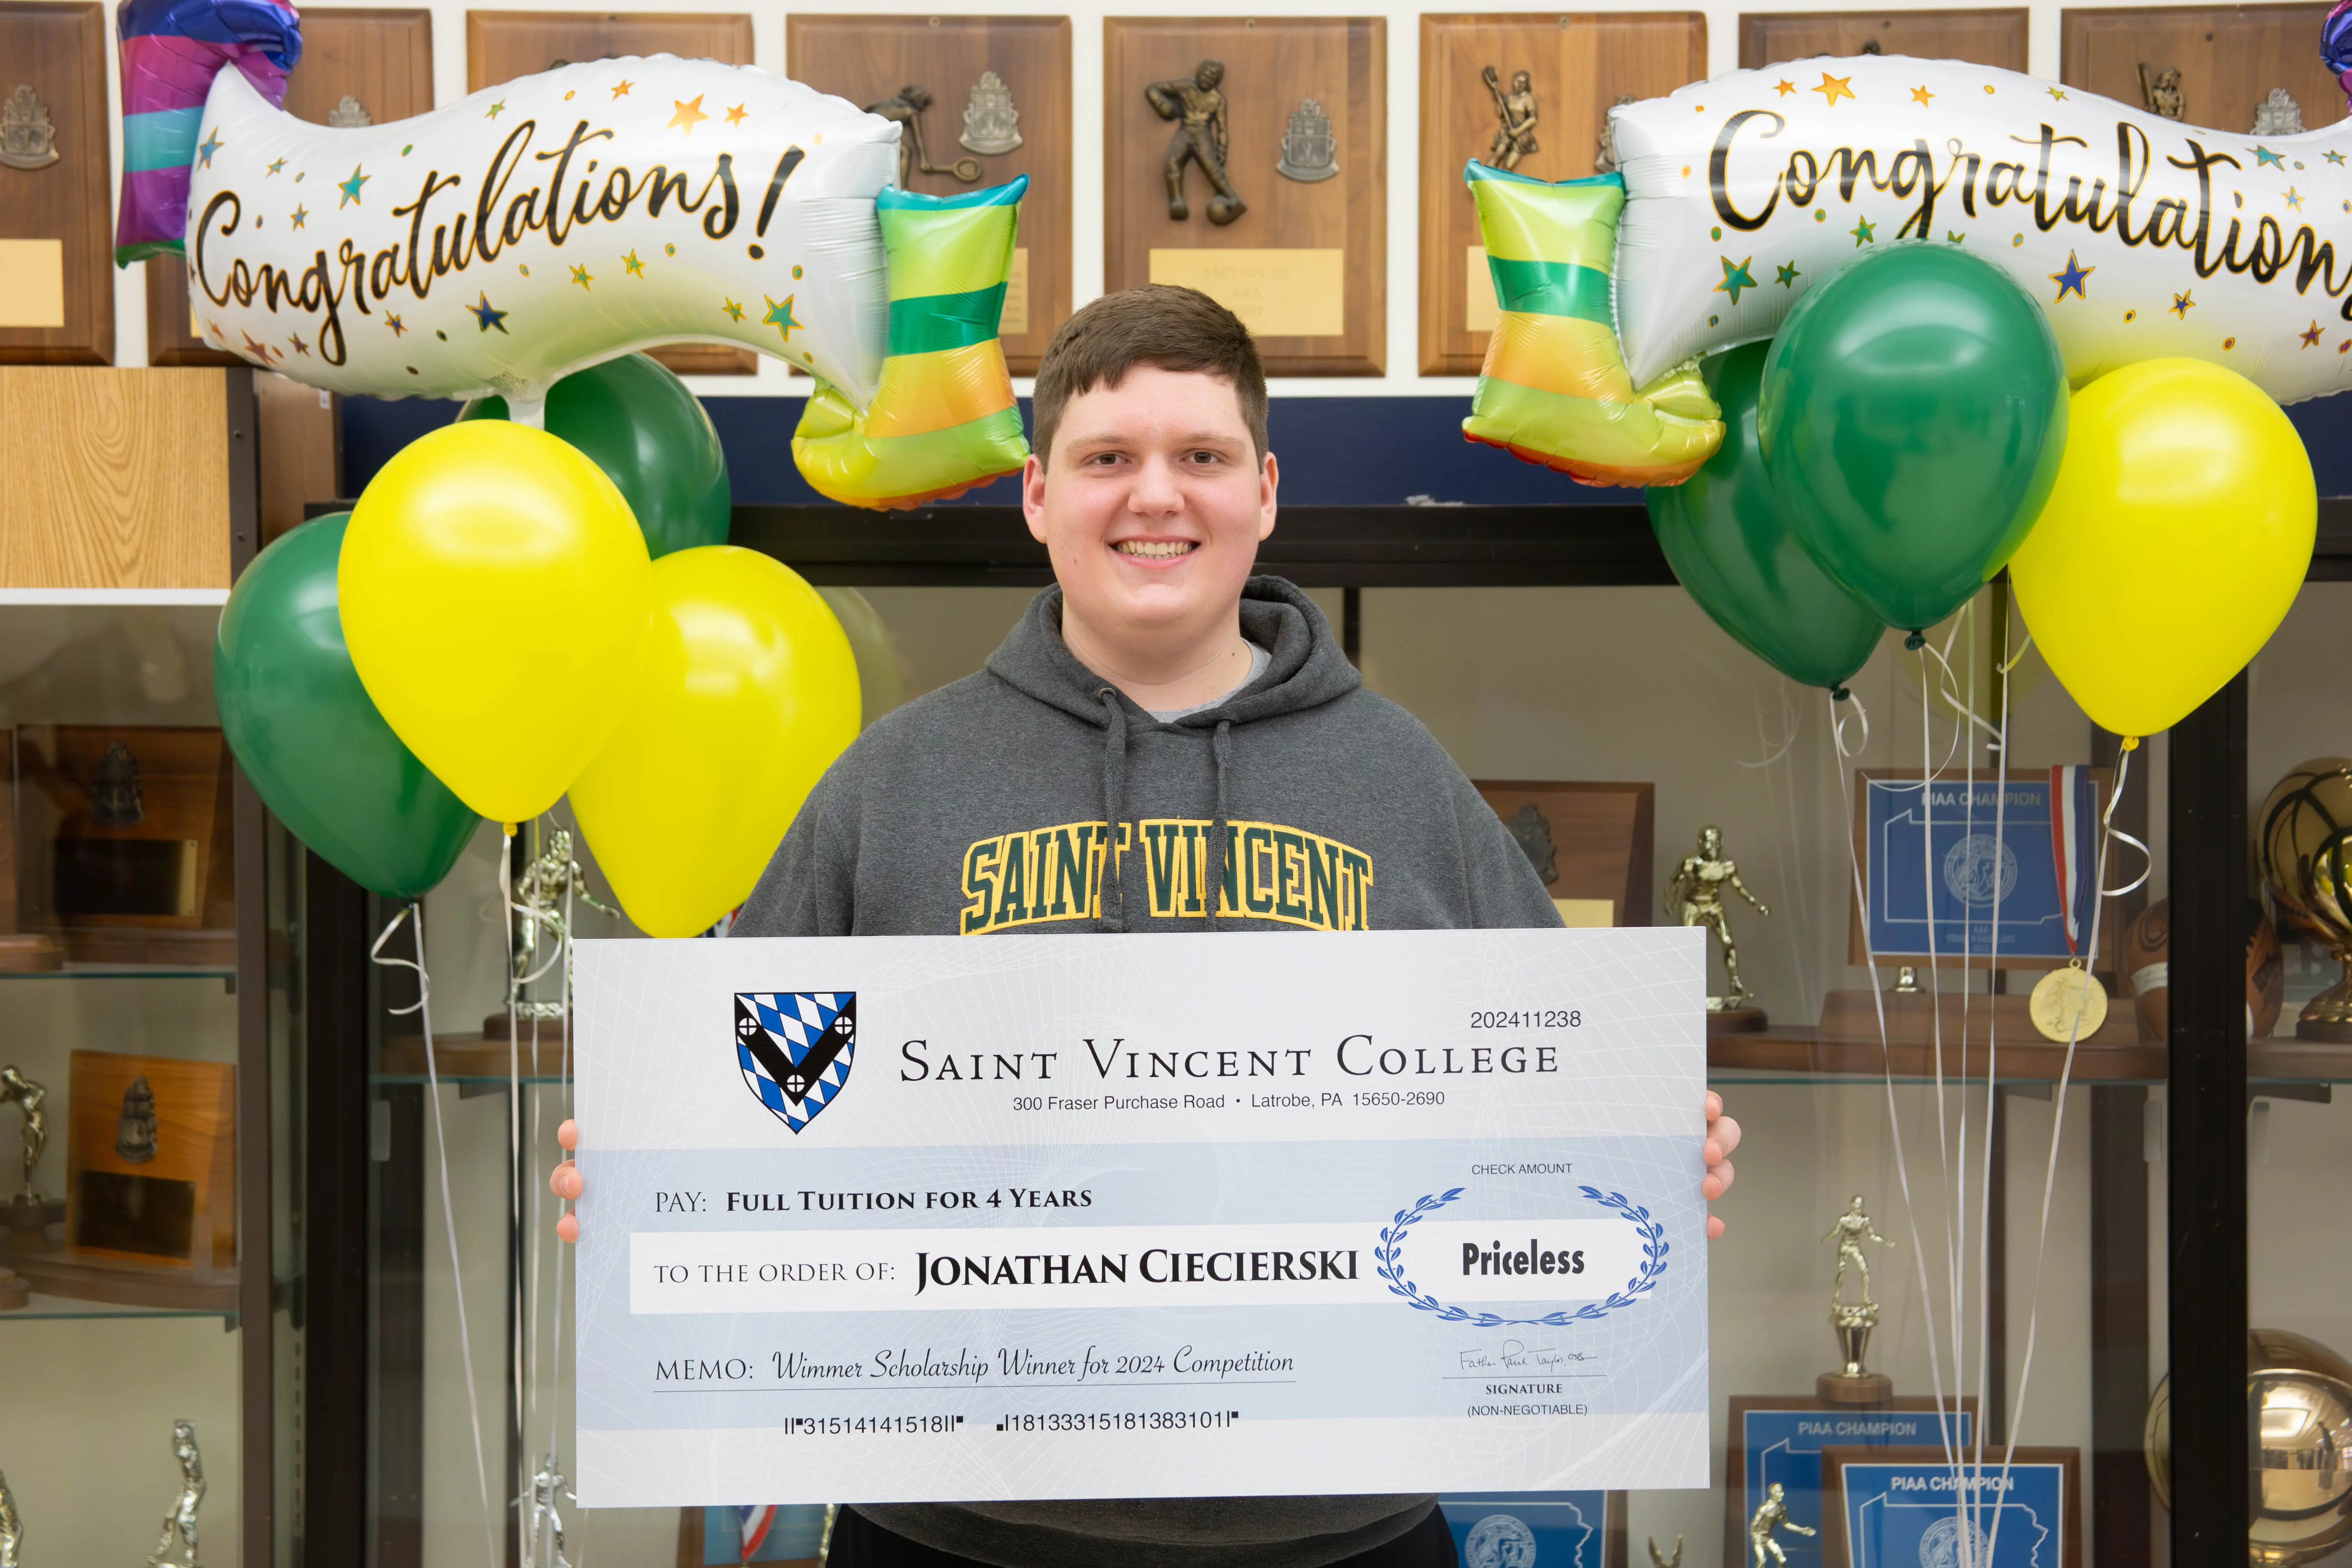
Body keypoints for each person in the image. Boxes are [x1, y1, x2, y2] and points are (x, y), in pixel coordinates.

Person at [551, 283, 1743, 1568]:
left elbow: (1552, 1102)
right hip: (956, 1534)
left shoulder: (1406, 784)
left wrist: (1656, 1154)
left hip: (1343, 1536)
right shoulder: (890, 786)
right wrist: (652, 1177)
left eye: (1203, 457)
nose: (1157, 496)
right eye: (1108, 458)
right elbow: (746, 1107)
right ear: (1038, 497)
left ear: (1266, 491)